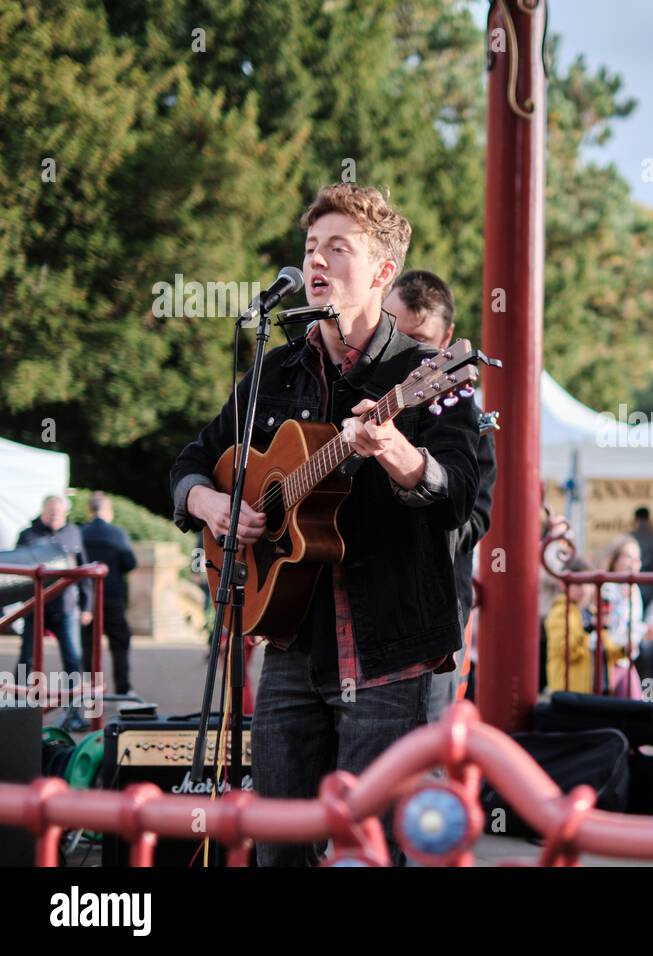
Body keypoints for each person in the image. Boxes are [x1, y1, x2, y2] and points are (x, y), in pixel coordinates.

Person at [170, 183, 480, 866]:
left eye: (338, 249)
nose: (316, 261)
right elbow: (194, 459)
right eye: (312, 247)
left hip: (392, 654)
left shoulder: (427, 374)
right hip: (289, 644)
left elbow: (463, 499)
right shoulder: (277, 368)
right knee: (278, 848)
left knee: (370, 851)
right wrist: (211, 505)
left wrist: (397, 452)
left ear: (381, 272)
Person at [384, 269, 498, 721]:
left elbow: (476, 516)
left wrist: (419, 493)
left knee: (423, 757)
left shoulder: (465, 408)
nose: (410, 353)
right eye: (395, 333)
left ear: (448, 339)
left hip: (430, 608)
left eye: (421, 340)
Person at [17, 495, 92, 677]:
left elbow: (85, 570)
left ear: (65, 513)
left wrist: (87, 607)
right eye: (50, 512)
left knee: (73, 658)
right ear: (42, 511)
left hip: (65, 606)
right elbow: (17, 572)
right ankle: (18, 701)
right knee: (27, 659)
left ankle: (73, 703)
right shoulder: (28, 535)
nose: (54, 516)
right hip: (35, 606)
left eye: (58, 512)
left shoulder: (73, 533)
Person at [78, 491, 138, 696]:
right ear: (108, 511)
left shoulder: (81, 533)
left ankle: (91, 690)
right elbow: (130, 563)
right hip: (113, 596)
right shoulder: (118, 534)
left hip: (87, 599)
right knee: (120, 643)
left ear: (90, 510)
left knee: (88, 646)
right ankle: (123, 689)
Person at [601, 535, 653, 697]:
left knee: (636, 705)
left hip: (627, 661)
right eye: (628, 557)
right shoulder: (606, 589)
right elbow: (607, 628)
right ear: (615, 560)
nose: (634, 563)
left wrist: (645, 631)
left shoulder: (634, 589)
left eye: (637, 558)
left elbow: (634, 625)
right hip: (608, 662)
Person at [543, 557, 614, 693]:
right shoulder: (560, 612)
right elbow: (568, 652)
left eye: (587, 584)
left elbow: (607, 650)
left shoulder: (591, 612)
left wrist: (623, 648)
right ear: (563, 585)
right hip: (570, 690)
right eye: (578, 584)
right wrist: (589, 630)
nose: (584, 590)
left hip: (597, 687)